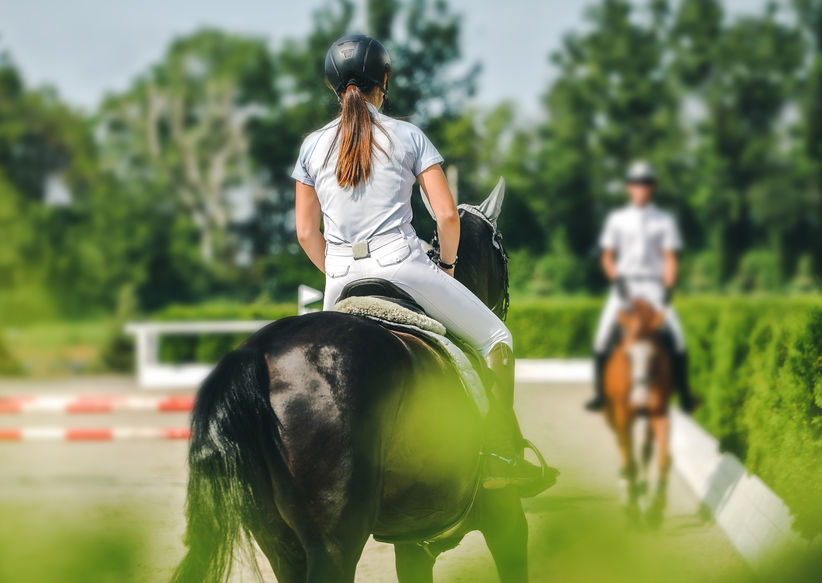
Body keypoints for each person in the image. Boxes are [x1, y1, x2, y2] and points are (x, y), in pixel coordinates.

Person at [291, 34, 545, 491]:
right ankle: (499, 454)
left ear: (333, 86)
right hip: (403, 267)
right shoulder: (409, 136)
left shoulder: (311, 147)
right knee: (496, 337)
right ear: (383, 79)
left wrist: (338, 269)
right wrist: (446, 268)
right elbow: (447, 217)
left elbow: (306, 233)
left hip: (340, 281)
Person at [585, 161, 699, 413]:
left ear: (652, 188)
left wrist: (668, 289)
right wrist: (617, 280)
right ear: (629, 188)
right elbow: (607, 256)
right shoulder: (617, 219)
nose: (641, 188)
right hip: (624, 285)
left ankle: (685, 394)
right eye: (637, 184)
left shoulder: (664, 221)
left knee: (678, 338)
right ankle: (600, 394)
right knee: (602, 337)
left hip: (653, 286)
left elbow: (670, 257)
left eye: (646, 183)